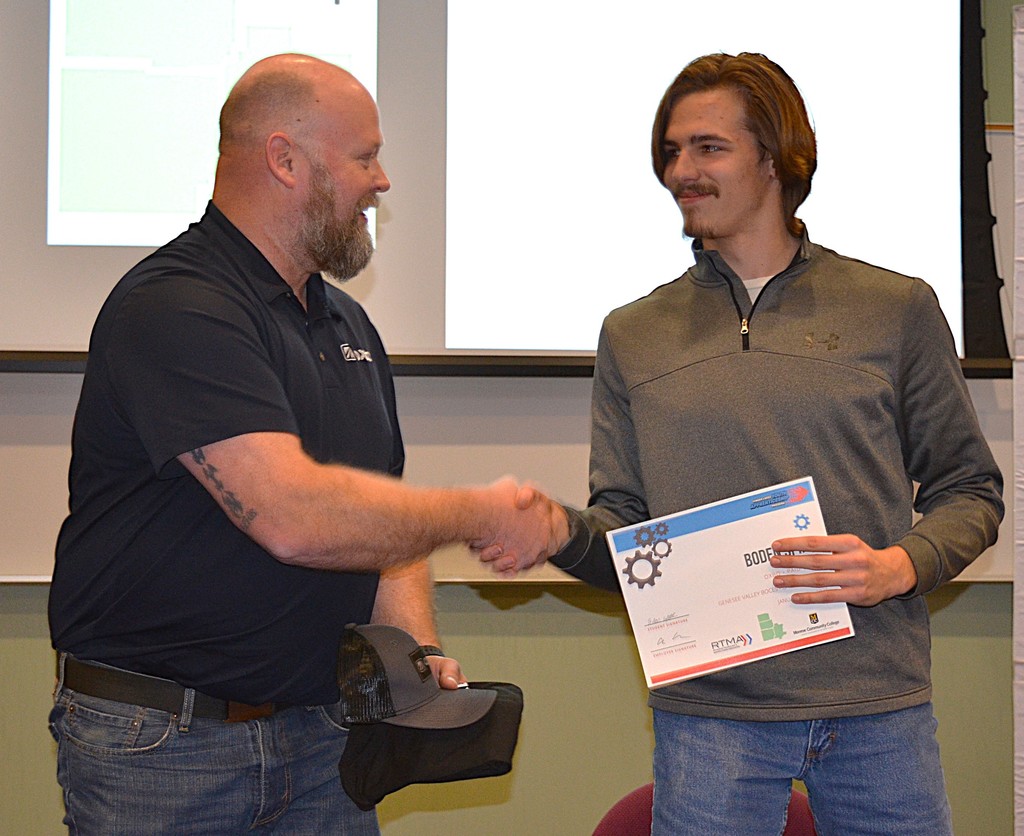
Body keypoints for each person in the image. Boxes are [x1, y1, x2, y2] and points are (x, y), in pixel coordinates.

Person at [481, 52, 1004, 834]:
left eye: (708, 148)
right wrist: (557, 533)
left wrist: (901, 564)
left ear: (776, 157)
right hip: (711, 716)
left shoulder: (896, 307)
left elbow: (971, 491)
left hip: (878, 707)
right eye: (671, 151)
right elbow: (626, 528)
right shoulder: (633, 333)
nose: (680, 172)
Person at [48, 53, 560, 834]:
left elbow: (383, 529)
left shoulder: (348, 325)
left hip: (322, 742)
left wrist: (415, 655)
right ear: (284, 160)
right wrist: (479, 512)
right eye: (364, 157)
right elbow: (292, 517)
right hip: (164, 752)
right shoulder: (176, 306)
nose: (381, 181)